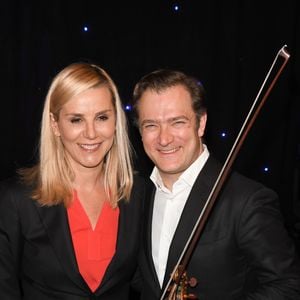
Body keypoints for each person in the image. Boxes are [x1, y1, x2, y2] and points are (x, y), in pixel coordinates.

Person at [132, 69, 300, 299]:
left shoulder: (247, 200)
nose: (164, 138)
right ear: (140, 131)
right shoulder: (139, 193)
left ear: (201, 124)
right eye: (151, 125)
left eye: (177, 122)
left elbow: (288, 286)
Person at [0, 62, 145, 299]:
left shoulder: (138, 193)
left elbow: (148, 280)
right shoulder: (15, 199)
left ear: (116, 121)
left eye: (101, 117)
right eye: (76, 120)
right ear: (55, 125)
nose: (91, 133)